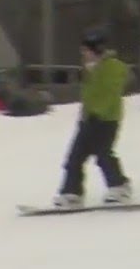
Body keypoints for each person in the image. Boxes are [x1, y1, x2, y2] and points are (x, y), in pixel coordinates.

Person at [53, 29, 133, 208]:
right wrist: (86, 115)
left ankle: (119, 186)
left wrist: (98, 111)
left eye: (86, 50)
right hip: (88, 119)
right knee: (75, 157)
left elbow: (111, 92)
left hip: (107, 119)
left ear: (97, 49)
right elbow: (89, 95)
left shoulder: (113, 66)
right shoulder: (89, 69)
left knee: (103, 154)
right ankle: (71, 191)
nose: (84, 54)